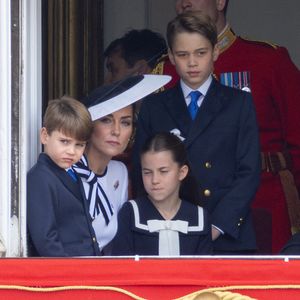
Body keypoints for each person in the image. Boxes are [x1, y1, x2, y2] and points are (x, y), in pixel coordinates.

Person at [153, 0, 300, 254]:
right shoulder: (165, 70)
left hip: (262, 205)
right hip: (184, 212)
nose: (183, 3)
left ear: (221, 1)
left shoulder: (267, 60)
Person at [133, 12, 260, 254]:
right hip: (168, 230)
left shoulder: (239, 103)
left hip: (225, 233)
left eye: (200, 53)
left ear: (215, 52)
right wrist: (164, 223)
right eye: (183, 54)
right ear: (170, 56)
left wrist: (217, 225)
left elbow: (249, 172)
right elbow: (142, 172)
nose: (192, 62)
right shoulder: (154, 106)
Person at [73, 74, 171, 255]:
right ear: (89, 125)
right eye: (106, 120)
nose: (116, 131)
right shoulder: (69, 172)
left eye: (125, 122)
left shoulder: (119, 172)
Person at [111, 132, 212, 256]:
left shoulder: (199, 217)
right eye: (147, 172)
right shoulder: (131, 213)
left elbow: (204, 271)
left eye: (163, 171)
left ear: (182, 172)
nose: (154, 180)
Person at [27, 97, 100, 257]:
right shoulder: (39, 178)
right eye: (64, 141)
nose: (72, 151)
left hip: (86, 268)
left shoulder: (71, 172)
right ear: (45, 136)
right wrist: (68, 274)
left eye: (79, 145)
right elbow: (47, 241)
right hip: (66, 275)